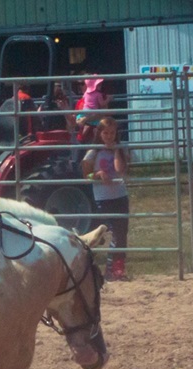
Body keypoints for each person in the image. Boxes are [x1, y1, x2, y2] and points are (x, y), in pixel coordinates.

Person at [82, 117, 129, 281]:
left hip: (120, 195)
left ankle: (116, 270)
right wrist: (98, 174)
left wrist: (116, 150)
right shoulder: (93, 152)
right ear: (99, 133)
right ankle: (99, 269)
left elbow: (120, 169)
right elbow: (85, 174)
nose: (109, 136)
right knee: (106, 232)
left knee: (121, 233)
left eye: (112, 133)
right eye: (106, 133)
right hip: (102, 197)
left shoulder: (122, 149)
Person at [77, 77, 111, 143]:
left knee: (85, 122)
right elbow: (102, 104)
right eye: (99, 85)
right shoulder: (99, 94)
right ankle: (95, 133)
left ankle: (85, 129)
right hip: (93, 111)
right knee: (98, 124)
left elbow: (83, 99)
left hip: (85, 111)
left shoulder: (86, 94)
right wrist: (108, 99)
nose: (100, 86)